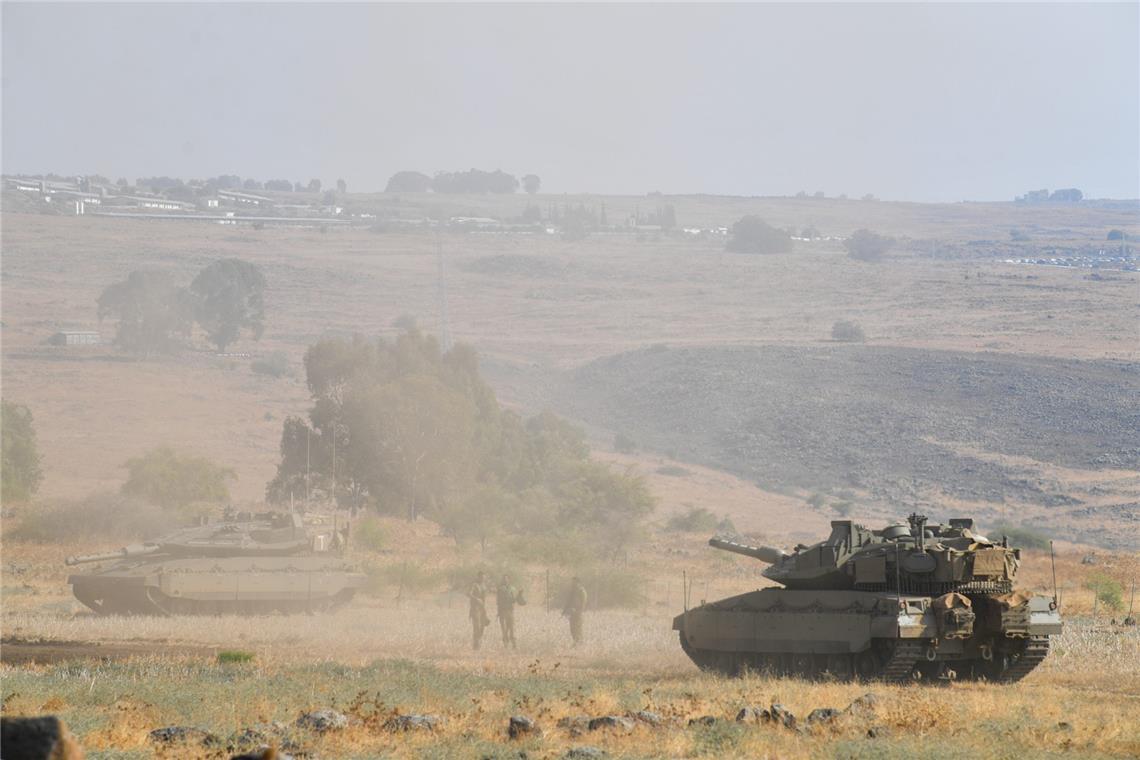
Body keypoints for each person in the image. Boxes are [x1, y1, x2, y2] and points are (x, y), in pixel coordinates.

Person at [496, 574, 525, 648]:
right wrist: (498, 611)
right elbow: (498, 601)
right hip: (503, 610)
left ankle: (513, 644)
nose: (505, 580)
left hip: (510, 610)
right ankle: (506, 644)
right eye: (504, 579)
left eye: (507, 579)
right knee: (504, 628)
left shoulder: (512, 588)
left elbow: (515, 599)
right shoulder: (500, 589)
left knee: (511, 627)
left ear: (509, 579)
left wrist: (519, 594)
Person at [468, 571, 491, 650]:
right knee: (476, 627)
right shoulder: (474, 585)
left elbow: (485, 598)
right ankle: (476, 645)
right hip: (475, 608)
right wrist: (476, 599)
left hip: (482, 608)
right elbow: (468, 593)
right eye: (481, 577)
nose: (483, 578)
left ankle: (479, 642)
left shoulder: (484, 586)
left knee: (482, 626)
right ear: (478, 577)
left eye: (484, 577)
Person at [563, 576, 588, 646]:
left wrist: (578, 611)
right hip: (572, 613)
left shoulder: (582, 591)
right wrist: (564, 611)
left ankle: (579, 643)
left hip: (578, 613)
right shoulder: (572, 591)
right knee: (572, 629)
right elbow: (568, 601)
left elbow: (583, 603)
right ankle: (575, 642)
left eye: (574, 582)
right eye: (572, 582)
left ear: (578, 582)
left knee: (578, 628)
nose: (572, 583)